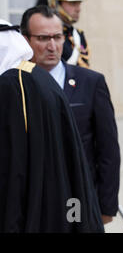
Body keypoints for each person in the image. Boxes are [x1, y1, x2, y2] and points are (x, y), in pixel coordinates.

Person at [20, 6, 121, 225]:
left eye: (57, 37)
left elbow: (108, 150)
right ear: (25, 40)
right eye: (43, 38)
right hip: (33, 204)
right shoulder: (14, 86)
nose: (52, 46)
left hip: (80, 201)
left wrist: (106, 207)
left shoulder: (91, 82)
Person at [0, 20, 104, 232]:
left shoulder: (11, 85)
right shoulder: (36, 76)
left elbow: (11, 166)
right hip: (58, 202)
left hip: (33, 209)